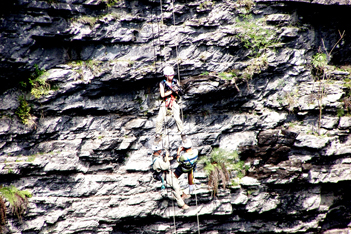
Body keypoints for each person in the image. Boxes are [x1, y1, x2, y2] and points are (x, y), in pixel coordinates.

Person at [151, 142, 190, 210]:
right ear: (157, 150)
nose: (160, 150)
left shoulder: (156, 157)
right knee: (175, 188)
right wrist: (166, 157)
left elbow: (163, 162)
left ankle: (182, 194)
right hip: (165, 175)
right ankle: (181, 204)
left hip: (167, 173)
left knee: (176, 181)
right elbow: (166, 166)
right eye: (160, 150)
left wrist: (169, 157)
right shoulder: (157, 160)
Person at [155, 66, 184, 141]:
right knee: (159, 119)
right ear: (166, 76)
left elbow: (178, 92)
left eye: (172, 75)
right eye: (170, 75)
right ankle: (158, 134)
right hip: (166, 101)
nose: (172, 76)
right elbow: (162, 95)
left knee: (177, 118)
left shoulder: (175, 81)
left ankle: (182, 132)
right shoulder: (162, 83)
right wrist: (171, 91)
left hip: (174, 100)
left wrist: (177, 90)